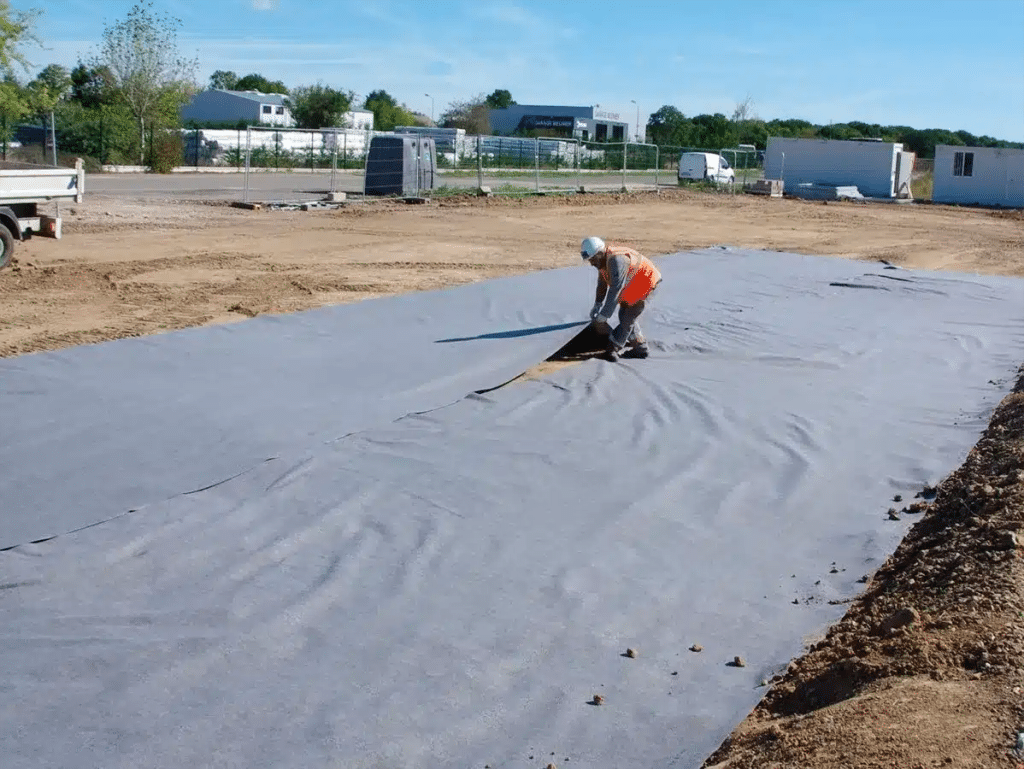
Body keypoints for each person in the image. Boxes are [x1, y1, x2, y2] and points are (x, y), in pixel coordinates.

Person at [580, 236, 662, 361]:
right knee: (625, 314)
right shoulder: (603, 261)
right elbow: (602, 284)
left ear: (600, 253)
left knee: (627, 316)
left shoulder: (616, 261)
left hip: (647, 283)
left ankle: (612, 349)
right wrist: (597, 304)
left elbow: (615, 290)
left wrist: (604, 315)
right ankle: (640, 347)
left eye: (592, 259)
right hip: (633, 286)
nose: (591, 264)